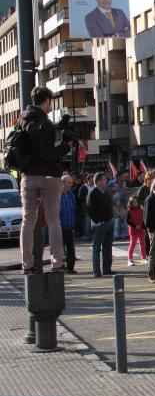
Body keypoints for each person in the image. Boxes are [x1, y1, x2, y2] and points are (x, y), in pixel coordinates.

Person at [18, 86, 72, 274]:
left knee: (28, 220)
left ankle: (27, 265)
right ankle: (57, 263)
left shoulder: (22, 120)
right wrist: (65, 147)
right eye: (51, 102)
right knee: (53, 220)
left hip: (27, 176)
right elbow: (46, 152)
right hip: (49, 177)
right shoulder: (46, 124)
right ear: (47, 101)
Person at [87, 172, 115, 277]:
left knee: (108, 247)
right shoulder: (93, 193)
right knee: (97, 248)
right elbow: (90, 210)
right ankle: (96, 271)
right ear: (98, 181)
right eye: (104, 179)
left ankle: (107, 269)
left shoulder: (105, 192)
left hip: (109, 222)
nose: (106, 181)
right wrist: (98, 221)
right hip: (99, 224)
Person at [59, 174, 77, 274]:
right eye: (69, 183)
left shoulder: (71, 195)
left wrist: (74, 224)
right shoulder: (57, 195)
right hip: (60, 227)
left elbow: (73, 210)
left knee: (71, 249)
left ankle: (71, 268)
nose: (71, 184)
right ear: (62, 183)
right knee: (60, 249)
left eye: (71, 182)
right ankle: (60, 266)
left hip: (69, 226)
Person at [126, 195, 147, 266]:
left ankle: (144, 258)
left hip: (141, 229)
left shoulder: (141, 210)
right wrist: (135, 226)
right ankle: (130, 259)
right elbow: (127, 221)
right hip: (133, 230)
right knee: (132, 244)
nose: (135, 203)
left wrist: (145, 228)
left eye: (136, 202)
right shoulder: (129, 211)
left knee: (142, 244)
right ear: (131, 203)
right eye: (133, 202)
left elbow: (143, 220)